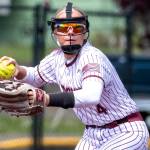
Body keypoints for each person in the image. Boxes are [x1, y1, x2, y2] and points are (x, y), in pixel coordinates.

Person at [0, 2, 149, 150]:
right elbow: (35, 76)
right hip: (92, 134)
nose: (70, 33)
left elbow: (91, 95)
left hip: (125, 130)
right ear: (55, 33)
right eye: (63, 28)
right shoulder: (56, 59)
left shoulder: (91, 57)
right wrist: (19, 71)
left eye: (77, 28)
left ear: (85, 33)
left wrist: (47, 98)